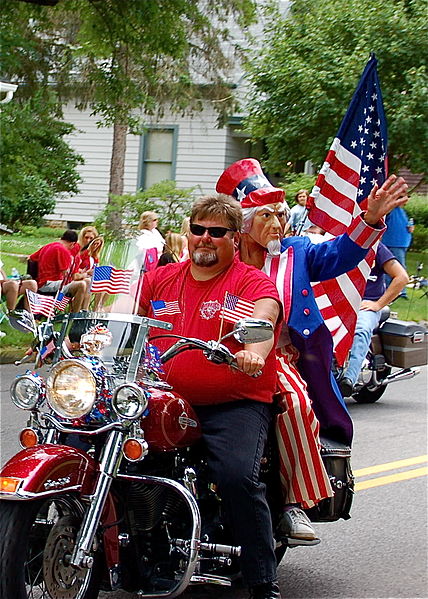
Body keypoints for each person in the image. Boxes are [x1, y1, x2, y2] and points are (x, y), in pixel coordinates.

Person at [216, 158, 409, 544]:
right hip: (216, 353)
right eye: (266, 215)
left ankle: (294, 504)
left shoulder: (297, 252)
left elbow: (341, 254)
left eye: (280, 214)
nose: (277, 223)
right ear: (244, 224)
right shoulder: (224, 257)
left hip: (279, 356)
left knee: (295, 404)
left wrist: (369, 220)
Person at [138, 194, 283, 599]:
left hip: (234, 401)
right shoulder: (161, 278)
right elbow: (125, 310)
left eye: (216, 232)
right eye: (198, 229)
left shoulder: (250, 282)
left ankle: (261, 581)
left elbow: (264, 317)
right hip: (162, 399)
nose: (205, 238)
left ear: (234, 239)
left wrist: (252, 354)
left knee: (237, 477)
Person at [338, 243, 409, 397]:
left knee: (360, 329)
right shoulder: (339, 243)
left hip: (366, 306)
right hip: (341, 304)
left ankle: (349, 378)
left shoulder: (377, 248)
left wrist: (378, 304)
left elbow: (402, 277)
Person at [29, 229, 90, 312]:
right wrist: (83, 275)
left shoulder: (49, 245)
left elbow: (31, 258)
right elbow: (67, 275)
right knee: (82, 284)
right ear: (73, 244)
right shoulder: (63, 250)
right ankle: (74, 315)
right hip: (49, 284)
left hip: (40, 282)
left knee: (86, 282)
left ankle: (83, 310)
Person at [382, 206, 414, 299]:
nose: (406, 199)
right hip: (393, 243)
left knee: (399, 267)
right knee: (396, 268)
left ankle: (398, 291)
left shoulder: (402, 211)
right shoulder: (391, 209)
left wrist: (410, 228)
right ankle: (396, 291)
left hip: (402, 244)